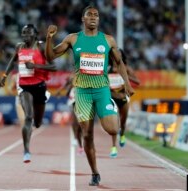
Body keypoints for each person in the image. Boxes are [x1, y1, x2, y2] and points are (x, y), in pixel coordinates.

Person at [45, 5, 134, 186]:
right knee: (86, 134)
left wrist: (127, 84)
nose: (93, 17)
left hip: (102, 90)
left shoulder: (108, 40)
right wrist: (48, 38)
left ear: (98, 20)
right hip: (82, 92)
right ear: (83, 19)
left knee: (112, 129)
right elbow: (51, 56)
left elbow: (119, 63)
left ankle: (108, 115)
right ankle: (94, 172)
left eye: (96, 15)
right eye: (89, 14)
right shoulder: (73, 39)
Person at [0, 24, 56, 163]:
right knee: (28, 117)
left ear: (35, 35)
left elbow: (53, 66)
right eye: (23, 33)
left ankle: (45, 97)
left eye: (28, 33)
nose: (25, 36)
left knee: (37, 123)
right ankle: (26, 150)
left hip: (40, 86)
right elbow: (13, 61)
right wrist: (5, 75)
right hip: (24, 86)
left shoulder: (41, 46)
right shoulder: (19, 46)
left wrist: (35, 66)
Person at [108, 48, 140, 152]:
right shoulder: (107, 68)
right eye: (114, 54)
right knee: (114, 122)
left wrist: (126, 78)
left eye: (119, 54)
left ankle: (122, 134)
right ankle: (113, 146)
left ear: (122, 56)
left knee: (123, 121)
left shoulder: (127, 68)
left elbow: (137, 82)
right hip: (112, 97)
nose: (117, 56)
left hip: (123, 97)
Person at [55, 74, 84, 155]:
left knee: (81, 125)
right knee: (75, 122)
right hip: (74, 99)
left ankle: (80, 143)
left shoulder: (86, 75)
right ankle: (76, 138)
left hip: (83, 98)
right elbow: (66, 84)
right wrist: (59, 90)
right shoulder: (72, 76)